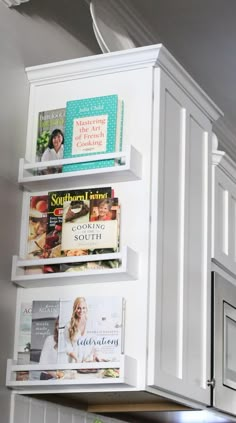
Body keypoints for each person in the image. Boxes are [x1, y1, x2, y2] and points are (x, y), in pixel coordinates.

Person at [61, 297, 97, 363]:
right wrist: (77, 359)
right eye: (78, 308)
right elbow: (68, 347)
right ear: (75, 309)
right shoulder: (68, 326)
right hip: (74, 362)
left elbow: (95, 344)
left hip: (89, 362)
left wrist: (93, 356)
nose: (81, 311)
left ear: (86, 309)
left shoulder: (92, 324)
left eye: (83, 308)